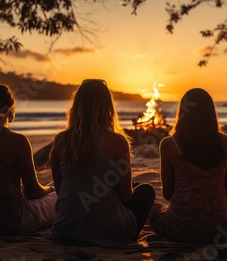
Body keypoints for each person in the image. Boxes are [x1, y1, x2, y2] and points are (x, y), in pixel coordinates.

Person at [50, 79, 156, 246]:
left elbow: (61, 191)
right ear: (108, 107)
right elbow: (127, 196)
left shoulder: (60, 141)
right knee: (146, 191)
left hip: (65, 231)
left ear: (76, 106)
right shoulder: (117, 142)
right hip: (111, 233)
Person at [0, 83, 57, 236]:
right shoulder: (18, 141)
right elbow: (33, 192)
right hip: (8, 223)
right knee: (58, 197)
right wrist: (50, 189)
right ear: (10, 107)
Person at [149, 88, 227, 243]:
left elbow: (168, 194)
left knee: (150, 205)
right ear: (210, 113)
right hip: (221, 230)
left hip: (181, 230)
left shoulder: (170, 144)